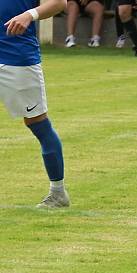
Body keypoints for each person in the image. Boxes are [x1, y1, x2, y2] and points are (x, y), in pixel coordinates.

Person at [2, 0, 70, 208]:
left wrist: (29, 15)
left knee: (38, 124)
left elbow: (59, 3)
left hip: (17, 58)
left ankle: (58, 193)